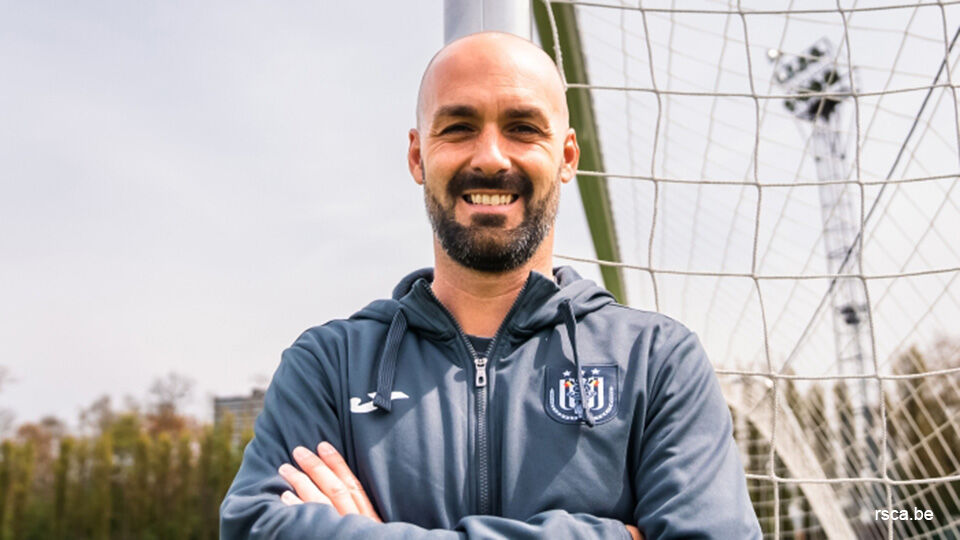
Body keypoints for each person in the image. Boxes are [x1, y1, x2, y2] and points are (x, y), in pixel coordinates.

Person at [219, 31, 762, 540]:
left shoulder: (656, 361)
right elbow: (255, 525)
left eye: (523, 128)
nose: (490, 158)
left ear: (567, 156)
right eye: (458, 127)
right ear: (417, 156)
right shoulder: (329, 366)